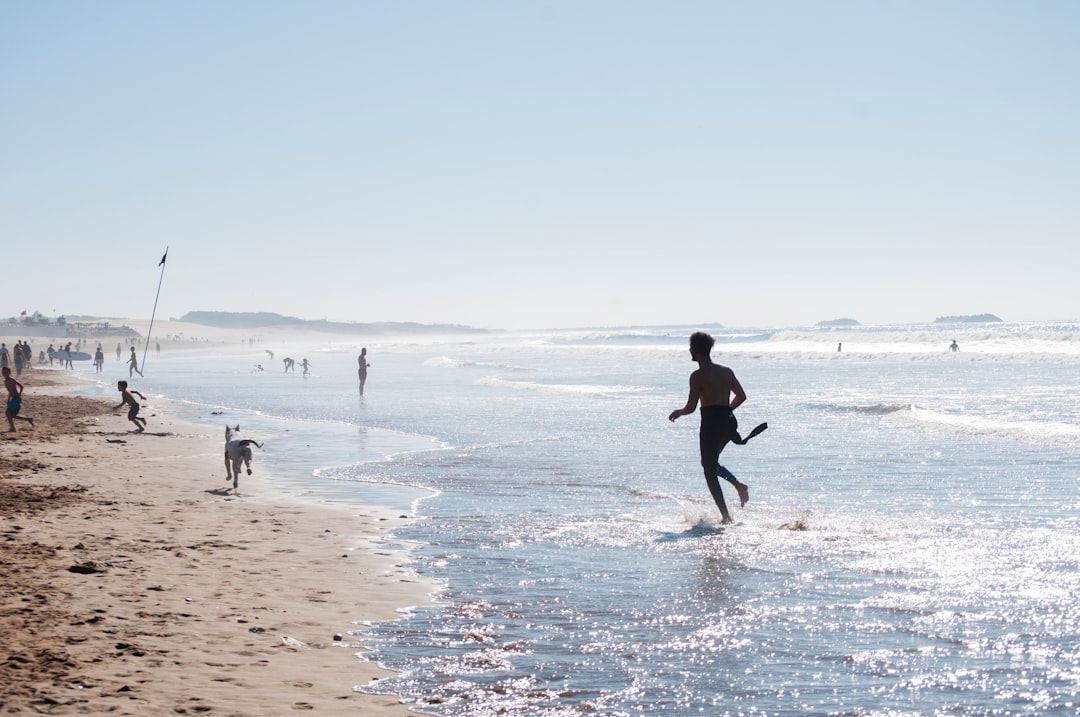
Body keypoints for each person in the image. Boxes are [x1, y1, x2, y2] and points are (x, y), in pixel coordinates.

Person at [668, 331, 765, 523]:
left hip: (711, 424)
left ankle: (727, 515)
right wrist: (726, 409)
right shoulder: (726, 371)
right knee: (710, 465)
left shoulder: (697, 376)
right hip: (728, 421)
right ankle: (738, 487)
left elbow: (691, 408)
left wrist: (679, 412)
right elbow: (741, 396)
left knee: (708, 469)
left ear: (694, 350)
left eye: (690, 347)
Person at [4, 366, 34, 431]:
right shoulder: (5, 381)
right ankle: (28, 419)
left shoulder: (12, 380)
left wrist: (19, 395)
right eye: (3, 373)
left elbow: (21, 386)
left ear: (9, 373)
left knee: (8, 413)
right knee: (11, 415)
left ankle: (13, 428)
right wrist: (8, 399)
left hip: (16, 399)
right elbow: (10, 391)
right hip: (13, 399)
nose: (4, 374)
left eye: (6, 373)